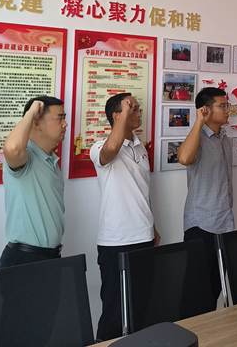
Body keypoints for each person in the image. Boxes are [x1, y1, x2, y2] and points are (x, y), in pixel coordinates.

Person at [90, 92, 161, 341]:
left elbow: (142, 190)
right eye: (132, 108)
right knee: (114, 312)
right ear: (116, 116)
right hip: (116, 242)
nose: (138, 113)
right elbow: (111, 149)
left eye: (138, 108)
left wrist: (152, 226)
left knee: (141, 305)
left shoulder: (140, 147)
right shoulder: (99, 146)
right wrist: (122, 116)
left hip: (144, 236)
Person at [177, 87, 233, 309]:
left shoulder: (224, 139)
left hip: (224, 224)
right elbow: (184, 158)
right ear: (206, 110)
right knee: (195, 293)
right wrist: (199, 121)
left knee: (214, 290)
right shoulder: (198, 137)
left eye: (228, 105)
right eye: (223, 106)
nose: (228, 110)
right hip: (201, 225)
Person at [0, 96, 66, 267]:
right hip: (24, 259)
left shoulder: (51, 160)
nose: (65, 124)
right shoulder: (25, 157)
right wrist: (31, 113)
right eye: (60, 118)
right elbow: (12, 148)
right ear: (37, 123)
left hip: (51, 257)